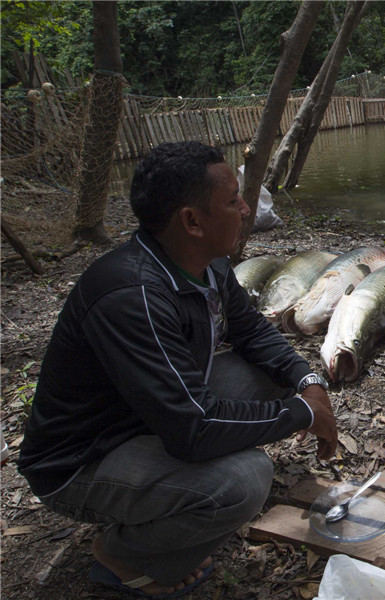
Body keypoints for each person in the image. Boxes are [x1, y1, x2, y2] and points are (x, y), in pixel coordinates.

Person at [16, 141, 338, 598]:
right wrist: (306, 415)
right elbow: (193, 429)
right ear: (192, 221)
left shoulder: (206, 263)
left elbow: (251, 332)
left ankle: (164, 504)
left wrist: (308, 383)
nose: (246, 209)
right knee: (245, 481)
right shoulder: (133, 296)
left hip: (145, 415)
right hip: (83, 458)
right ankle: (124, 553)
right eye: (232, 200)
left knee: (273, 378)